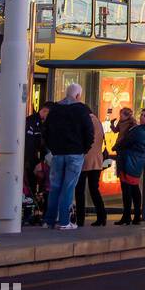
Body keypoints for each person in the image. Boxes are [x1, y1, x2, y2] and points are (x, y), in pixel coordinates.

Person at [43, 84, 95, 230]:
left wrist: (53, 148)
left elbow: (45, 131)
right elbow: (89, 132)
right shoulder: (81, 109)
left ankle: (49, 220)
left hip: (58, 153)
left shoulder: (55, 109)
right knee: (68, 187)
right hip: (75, 153)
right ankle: (65, 222)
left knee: (55, 187)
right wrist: (84, 149)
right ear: (78, 95)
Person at [116, 106, 145, 225]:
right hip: (134, 161)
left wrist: (118, 147)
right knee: (133, 188)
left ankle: (128, 215)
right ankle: (134, 216)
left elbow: (127, 141)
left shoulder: (140, 131)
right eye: (141, 114)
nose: (141, 117)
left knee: (128, 189)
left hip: (130, 160)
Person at [74, 101, 107, 227]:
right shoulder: (97, 121)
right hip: (96, 160)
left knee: (79, 190)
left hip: (84, 160)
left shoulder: (86, 121)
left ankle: (80, 218)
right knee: (94, 189)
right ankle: (102, 216)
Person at [23, 103, 50, 225]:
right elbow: (30, 144)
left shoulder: (41, 123)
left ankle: (34, 213)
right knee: (30, 187)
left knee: (36, 187)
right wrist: (31, 162)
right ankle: (29, 214)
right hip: (31, 160)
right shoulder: (31, 122)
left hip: (36, 160)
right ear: (44, 111)